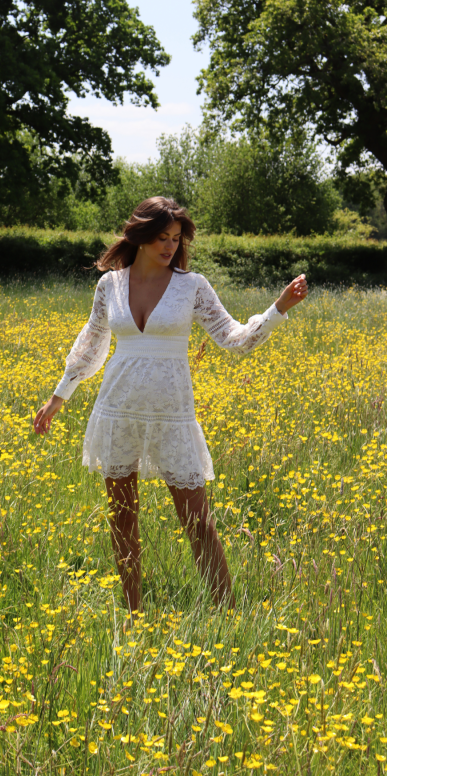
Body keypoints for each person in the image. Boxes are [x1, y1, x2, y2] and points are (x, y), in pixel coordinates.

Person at [34, 197, 308, 621]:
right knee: (122, 518)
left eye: (176, 239)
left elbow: (235, 338)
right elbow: (90, 345)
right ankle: (132, 614)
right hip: (117, 410)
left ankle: (228, 616)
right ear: (140, 236)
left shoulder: (191, 286)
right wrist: (57, 399)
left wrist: (277, 311)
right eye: (162, 237)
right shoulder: (110, 285)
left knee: (198, 521)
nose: (169, 246)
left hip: (172, 417)